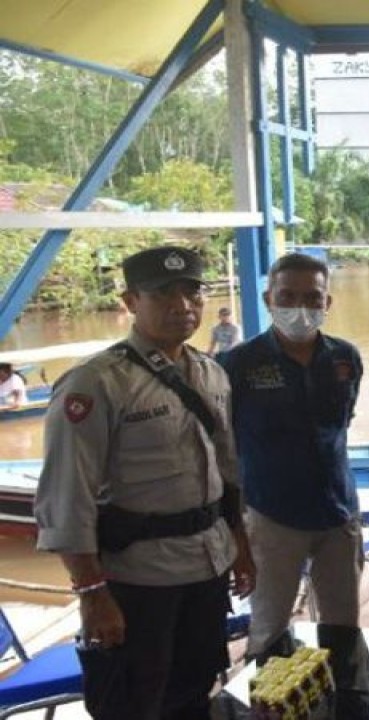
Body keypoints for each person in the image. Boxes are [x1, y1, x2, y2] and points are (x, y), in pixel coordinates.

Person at [33, 246, 255, 719]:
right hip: (138, 580)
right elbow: (66, 496)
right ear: (131, 301)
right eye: (163, 294)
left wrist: (241, 542)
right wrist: (92, 594)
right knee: (134, 703)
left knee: (194, 691)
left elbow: (227, 469)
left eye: (191, 291)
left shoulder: (211, 372)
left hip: (207, 566)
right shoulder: (95, 384)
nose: (183, 305)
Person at [219, 253, 369, 718]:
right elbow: (224, 448)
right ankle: (269, 707)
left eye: (312, 297)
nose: (300, 307)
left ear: (328, 300)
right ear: (269, 299)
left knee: (343, 623)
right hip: (272, 517)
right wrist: (236, 530)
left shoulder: (346, 358)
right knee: (268, 628)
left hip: (338, 512)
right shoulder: (237, 365)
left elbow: (340, 425)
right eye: (288, 297)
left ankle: (346, 704)